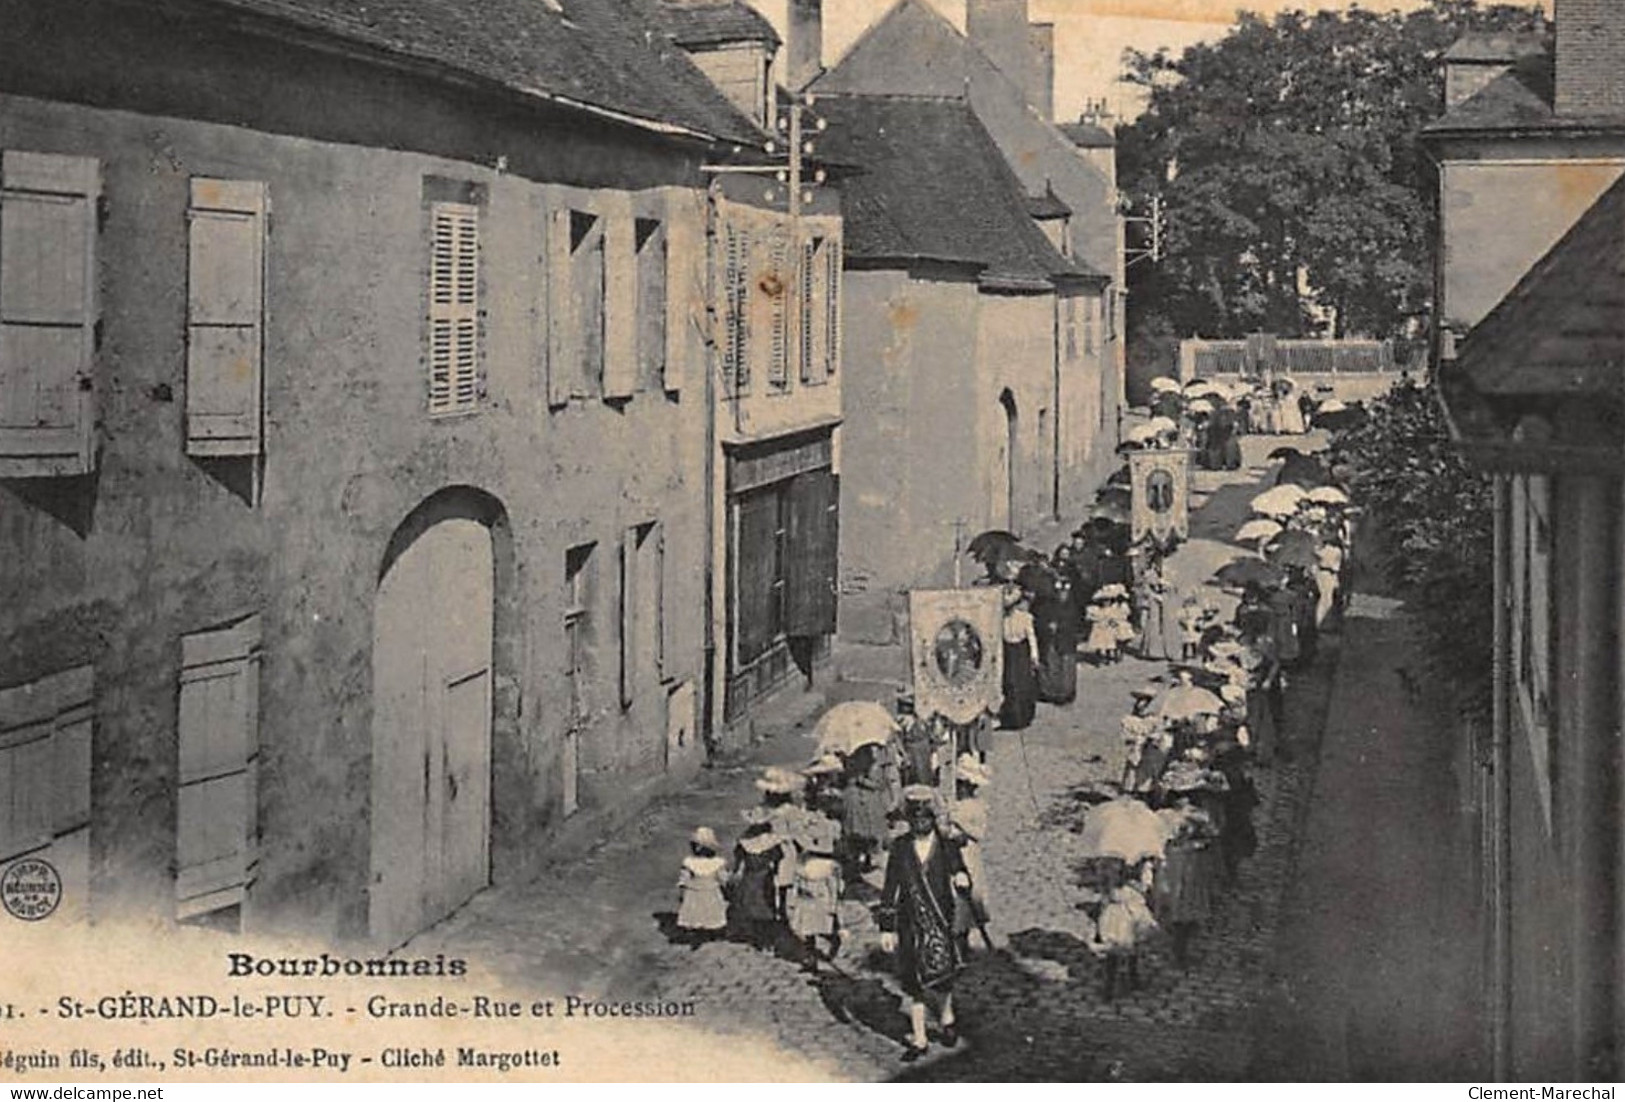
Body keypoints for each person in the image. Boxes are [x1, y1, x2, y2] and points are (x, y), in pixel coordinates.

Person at [879, 787, 971, 1061]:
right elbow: (890, 887)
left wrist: (961, 877)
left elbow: (959, 869)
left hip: (941, 919)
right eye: (915, 819)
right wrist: (887, 926)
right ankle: (919, 1039)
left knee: (943, 977)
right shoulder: (900, 847)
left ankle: (946, 1019)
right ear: (909, 820)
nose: (920, 824)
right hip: (910, 924)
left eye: (925, 819)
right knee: (913, 982)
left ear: (932, 819)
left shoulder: (946, 845)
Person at [947, 755, 993, 950]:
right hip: (953, 855)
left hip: (970, 854)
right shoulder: (954, 805)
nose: (959, 788)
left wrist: (961, 825)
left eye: (962, 784)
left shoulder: (978, 807)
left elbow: (980, 833)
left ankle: (964, 940)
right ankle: (957, 937)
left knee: (969, 896)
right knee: (954, 897)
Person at [1096, 858, 1159, 999]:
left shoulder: (1109, 864)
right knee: (1122, 949)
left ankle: (1116, 985)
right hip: (1125, 913)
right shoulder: (1123, 870)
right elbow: (1145, 890)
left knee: (1122, 949)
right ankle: (1119, 983)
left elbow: (1105, 891)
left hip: (1121, 913)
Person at [839, 743, 893, 873]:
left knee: (868, 830)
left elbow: (879, 784)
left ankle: (865, 858)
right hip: (856, 801)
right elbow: (847, 780)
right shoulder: (852, 761)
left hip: (867, 801)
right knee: (857, 830)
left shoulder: (874, 765)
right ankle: (857, 859)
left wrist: (861, 780)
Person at [675, 826, 729, 946]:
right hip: (709, 891)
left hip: (695, 891)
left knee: (697, 911)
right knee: (709, 911)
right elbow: (723, 878)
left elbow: (684, 879)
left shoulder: (690, 862)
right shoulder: (717, 862)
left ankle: (699, 932)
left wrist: (682, 892)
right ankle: (707, 932)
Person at [998, 585, 1040, 730]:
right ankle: (1011, 717)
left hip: (1021, 651)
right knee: (1009, 683)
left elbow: (1031, 637)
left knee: (1023, 683)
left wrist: (1034, 656)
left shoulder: (1025, 617)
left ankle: (1024, 716)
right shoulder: (1000, 620)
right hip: (1008, 652)